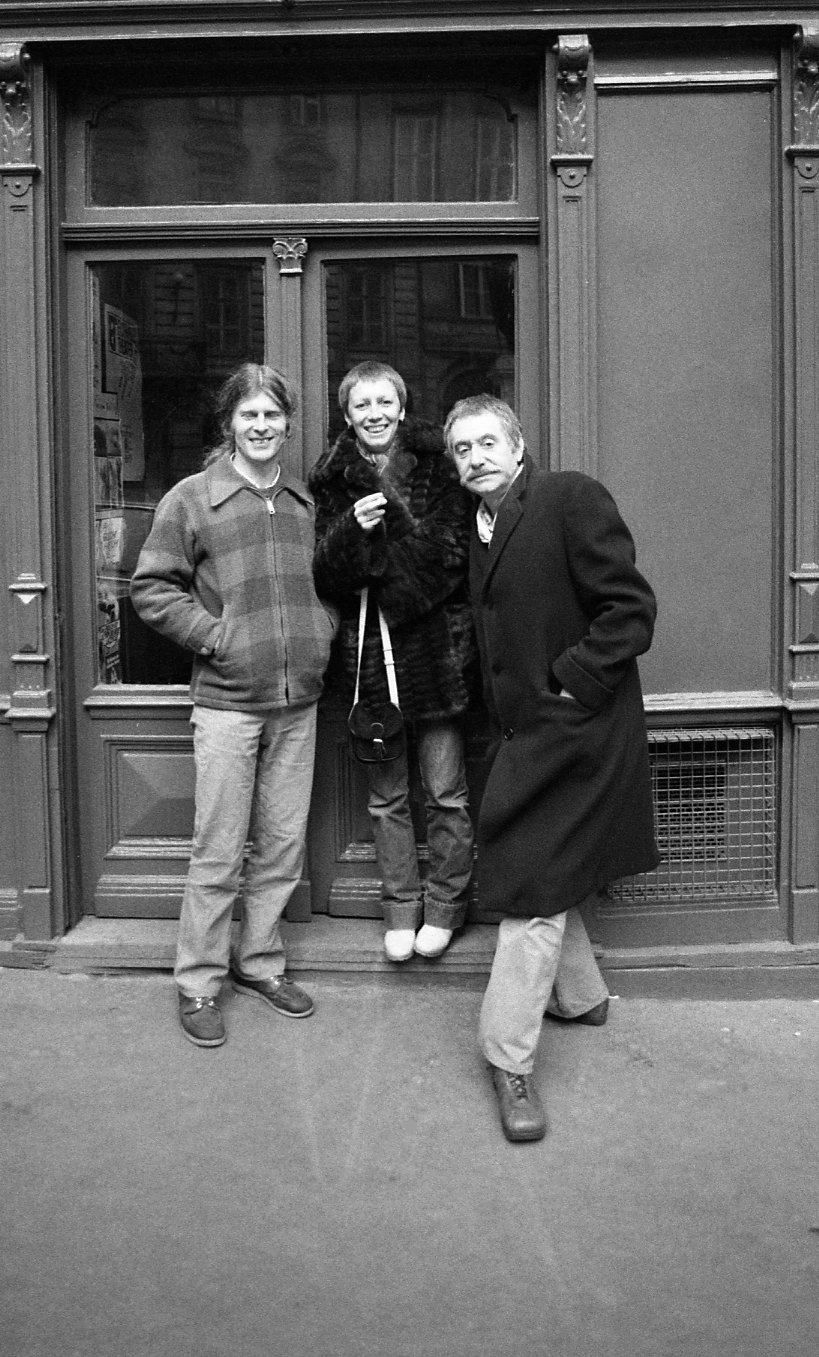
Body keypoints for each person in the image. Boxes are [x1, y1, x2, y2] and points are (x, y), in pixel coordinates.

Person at [444, 394, 658, 1142]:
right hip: (530, 737)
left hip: (583, 732)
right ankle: (581, 996)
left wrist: (569, 681)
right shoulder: (479, 527)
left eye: (486, 442)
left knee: (529, 886)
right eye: (461, 449)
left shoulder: (568, 496)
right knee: (542, 868)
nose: (475, 457)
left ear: (518, 443)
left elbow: (630, 611)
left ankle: (509, 1060)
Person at [130, 364, 338, 1049]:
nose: (261, 426)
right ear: (230, 424)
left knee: (281, 847)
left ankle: (261, 963)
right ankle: (198, 983)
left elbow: (331, 585)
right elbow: (153, 589)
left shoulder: (305, 502)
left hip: (298, 702)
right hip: (226, 702)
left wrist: (322, 633)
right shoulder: (193, 499)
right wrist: (215, 635)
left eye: (272, 415)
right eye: (248, 415)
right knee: (218, 850)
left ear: (287, 423)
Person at [310, 362, 475, 962]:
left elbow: (450, 559)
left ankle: (446, 908)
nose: (374, 413)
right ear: (347, 415)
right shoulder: (331, 482)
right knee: (386, 800)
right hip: (370, 664)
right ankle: (400, 910)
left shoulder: (439, 465)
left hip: (436, 656)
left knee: (446, 792)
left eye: (385, 401)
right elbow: (324, 574)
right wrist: (352, 535)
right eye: (362, 404)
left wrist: (386, 543)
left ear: (402, 409)